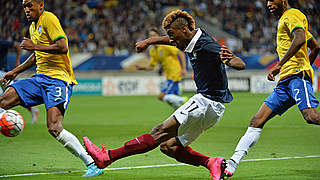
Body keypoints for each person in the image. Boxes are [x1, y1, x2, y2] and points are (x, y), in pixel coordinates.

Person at [83, 10, 245, 180]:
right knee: (168, 147)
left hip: (206, 102)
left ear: (184, 30)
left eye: (172, 34)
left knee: (159, 132)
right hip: (214, 108)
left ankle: (106, 157)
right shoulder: (190, 37)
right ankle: (212, 163)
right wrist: (150, 41)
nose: (172, 39)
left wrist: (231, 61)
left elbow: (238, 62)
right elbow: (170, 41)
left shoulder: (205, 44)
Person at [0, 0, 103, 176]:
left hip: (58, 80)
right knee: (2, 101)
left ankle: (92, 163)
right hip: (39, 79)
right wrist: (14, 72)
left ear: (41, 5)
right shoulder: (33, 26)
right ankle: (7, 121)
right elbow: (36, 56)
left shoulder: (49, 19)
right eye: (24, 6)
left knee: (54, 127)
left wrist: (34, 46)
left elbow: (63, 47)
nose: (26, 9)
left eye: (30, 5)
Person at [224, 0, 320, 177]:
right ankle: (232, 164)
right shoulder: (286, 18)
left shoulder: (293, 15)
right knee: (256, 121)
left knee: (311, 116)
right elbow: (315, 46)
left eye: (272, 0)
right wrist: (301, 65)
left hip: (297, 77)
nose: (268, 4)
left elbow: (300, 39)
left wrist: (280, 65)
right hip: (286, 81)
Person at [136, 27, 187, 109]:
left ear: (158, 36)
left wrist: (184, 68)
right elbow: (152, 67)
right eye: (150, 36)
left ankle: (184, 100)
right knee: (170, 99)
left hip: (175, 74)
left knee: (161, 96)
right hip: (168, 75)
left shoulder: (165, 46)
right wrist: (142, 68)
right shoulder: (152, 51)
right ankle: (179, 111)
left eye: (154, 35)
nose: (152, 37)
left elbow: (181, 53)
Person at [0, 39, 40, 123]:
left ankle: (6, 120)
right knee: (11, 98)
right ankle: (32, 110)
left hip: (2, 73)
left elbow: (17, 45)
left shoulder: (2, 42)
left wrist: (17, 60)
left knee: (14, 96)